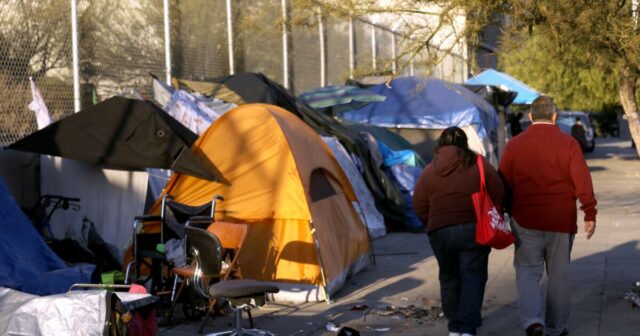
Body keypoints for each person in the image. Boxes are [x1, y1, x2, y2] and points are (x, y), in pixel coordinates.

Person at [499, 96, 597, 336]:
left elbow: (502, 182)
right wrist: (589, 211)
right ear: (554, 116)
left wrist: (503, 210)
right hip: (560, 220)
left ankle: (533, 322)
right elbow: (582, 181)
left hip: (525, 219)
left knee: (527, 272)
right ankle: (556, 327)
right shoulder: (569, 144)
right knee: (559, 275)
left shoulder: (515, 145)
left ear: (530, 117)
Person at [413, 127, 504, 336]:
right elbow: (498, 191)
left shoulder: (429, 170)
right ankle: (468, 328)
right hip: (474, 229)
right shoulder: (479, 164)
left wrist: (431, 223)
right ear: (464, 143)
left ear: (440, 144)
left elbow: (418, 202)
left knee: (449, 277)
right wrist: (495, 212)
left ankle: (454, 327)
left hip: (440, 231)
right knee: (473, 276)